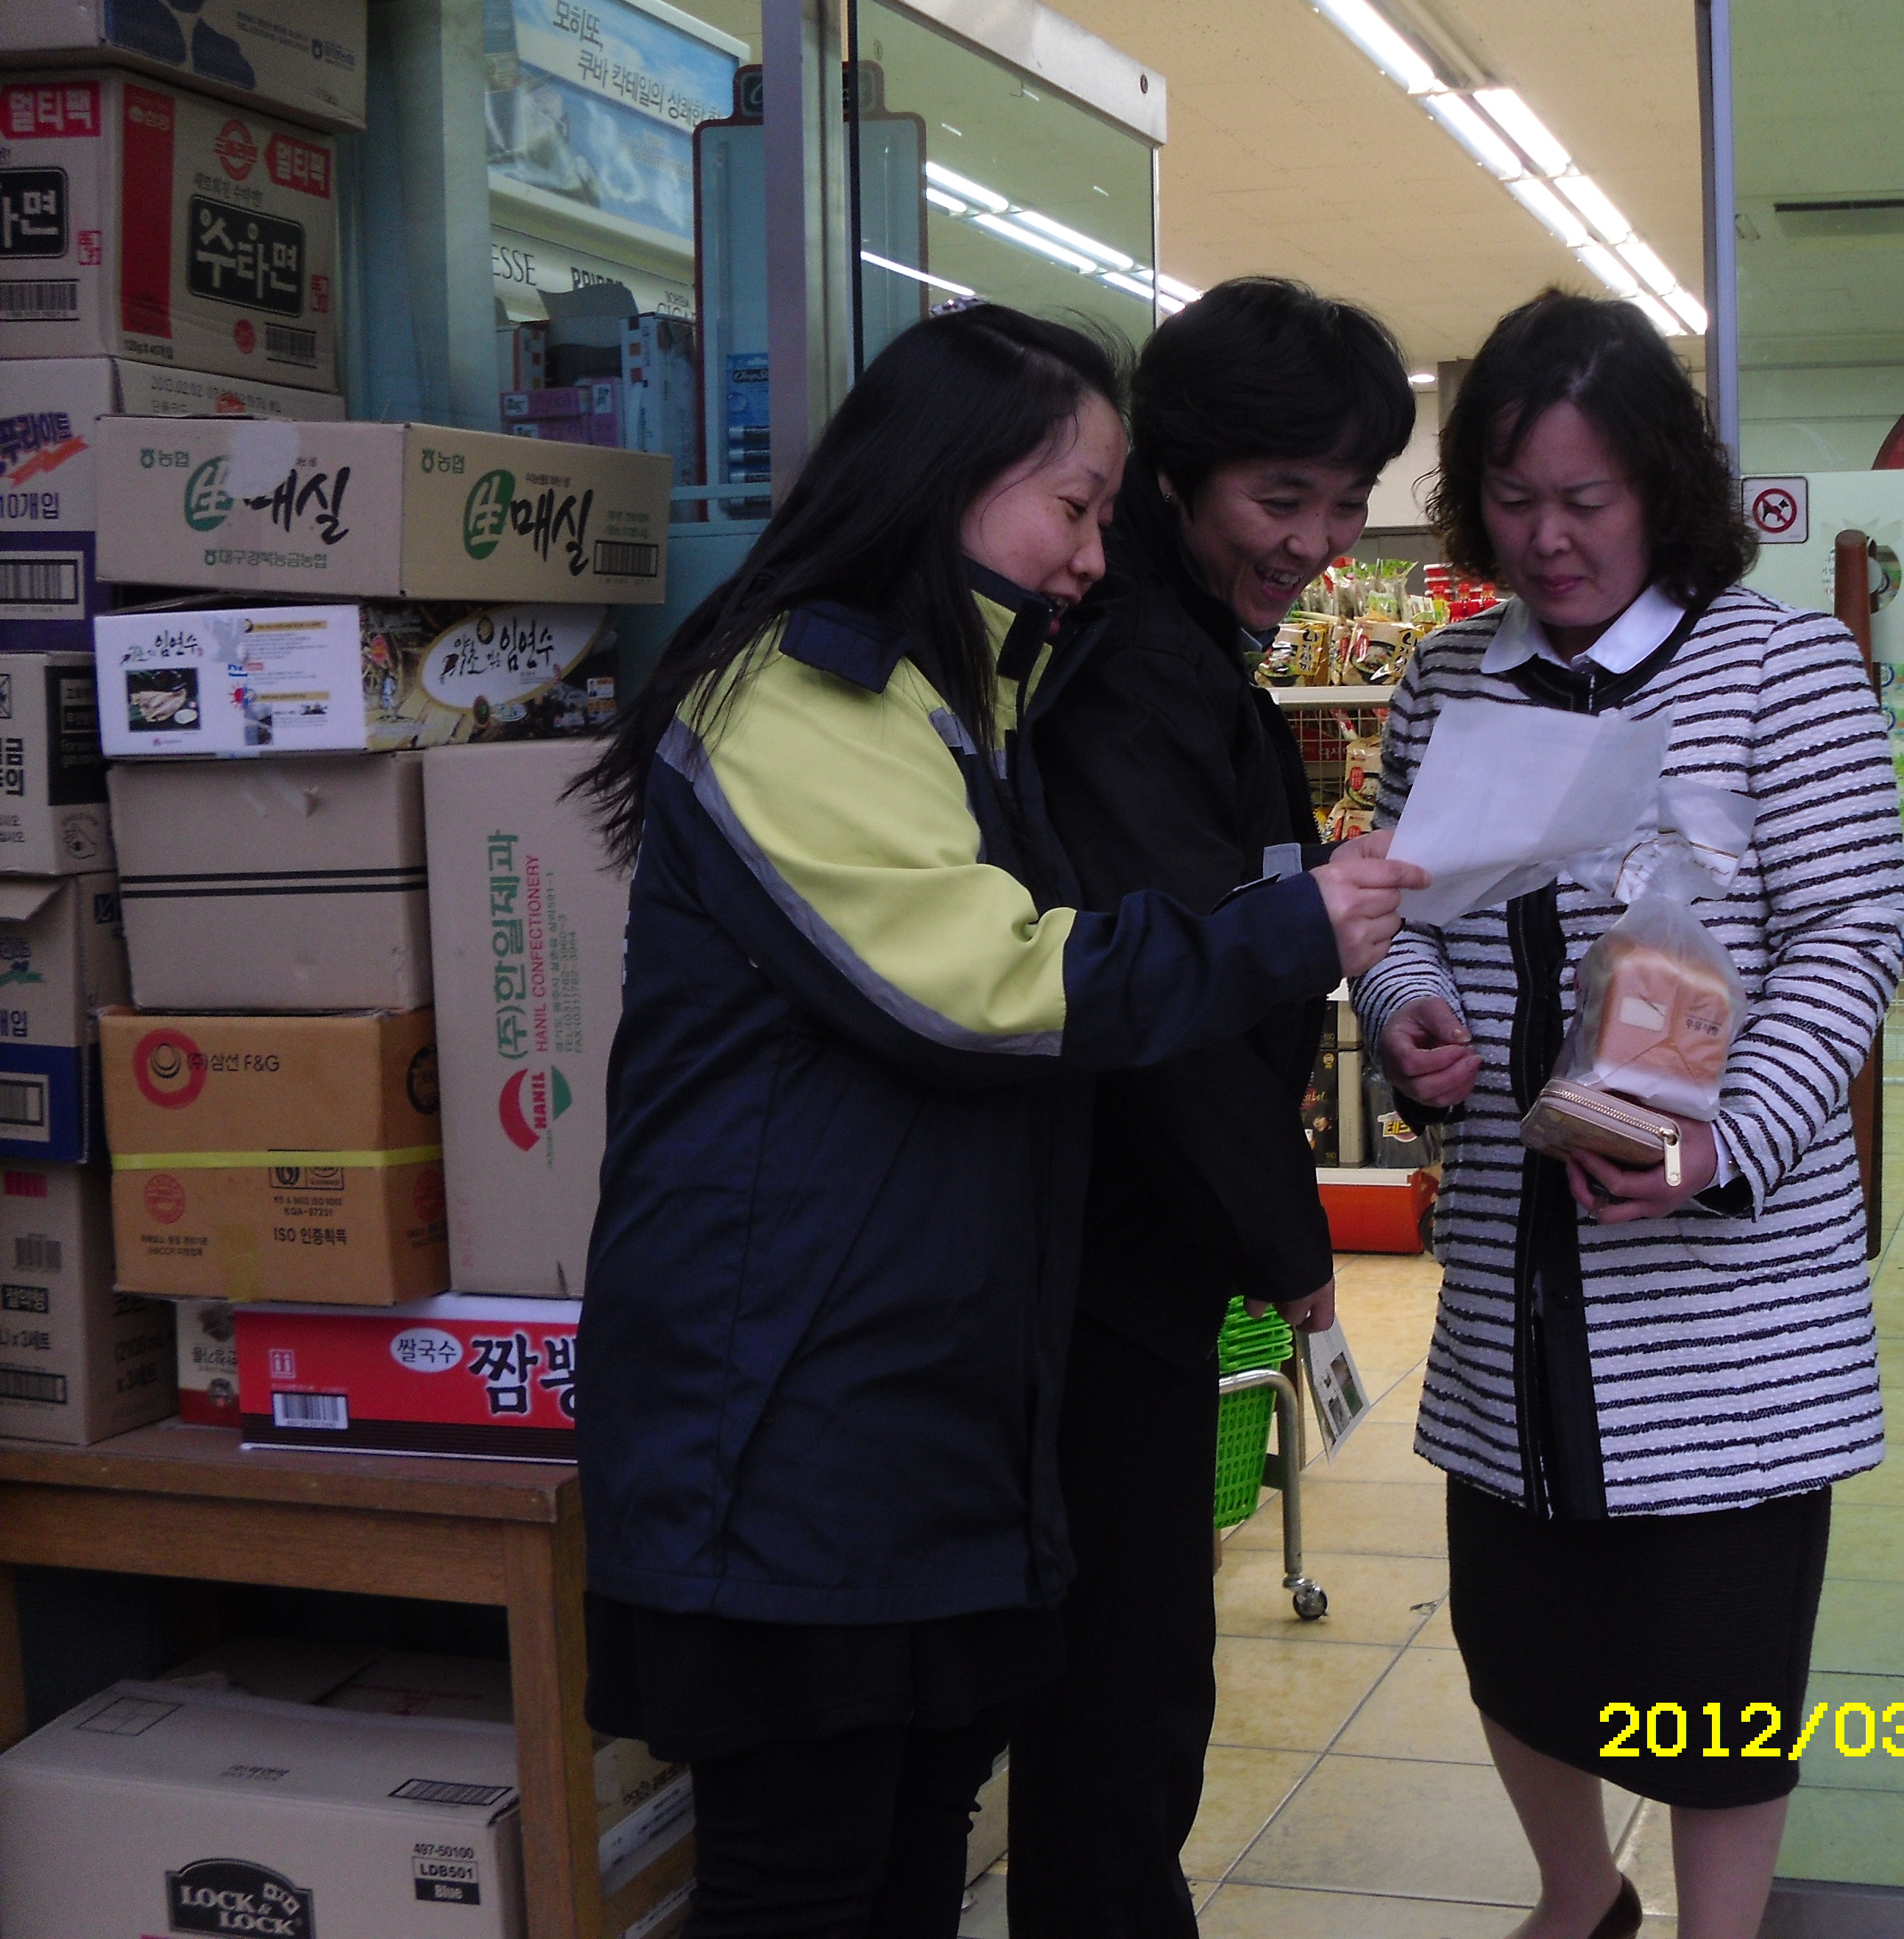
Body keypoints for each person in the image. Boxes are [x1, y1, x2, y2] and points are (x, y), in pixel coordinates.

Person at [571, 303, 1425, 1939]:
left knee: (909, 1849)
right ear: (944, 477)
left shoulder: (956, 704)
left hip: (913, 1410)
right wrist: (1289, 927)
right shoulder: (797, 700)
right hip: (789, 1415)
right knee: (804, 1881)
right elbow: (984, 984)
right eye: (1075, 507)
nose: (1097, 558)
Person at [1356, 291, 1904, 1939]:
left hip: (1723, 1292)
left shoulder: (1779, 665)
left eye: (1585, 499)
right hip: (1517, 1271)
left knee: (1719, 1663)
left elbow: (1853, 932)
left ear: (1661, 487)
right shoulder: (1448, 679)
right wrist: (1405, 1014)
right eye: (1514, 499)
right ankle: (1579, 1896)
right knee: (1517, 1631)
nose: (1548, 538)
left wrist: (1724, 1144)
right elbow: (1393, 912)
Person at [1013, 279, 1418, 1937]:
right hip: (1105, 1250)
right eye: (1282, 496)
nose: (1317, 542)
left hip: (1135, 1243)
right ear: (1171, 474)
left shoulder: (1192, 655)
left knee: (1128, 1673)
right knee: (1123, 1688)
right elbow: (1157, 1004)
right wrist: (1286, 1237)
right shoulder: (1132, 673)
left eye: (1349, 500)